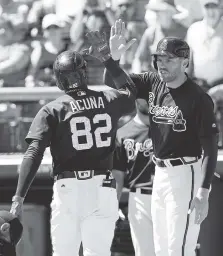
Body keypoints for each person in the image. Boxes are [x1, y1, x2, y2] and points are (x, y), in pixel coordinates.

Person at [9, 29, 137, 256]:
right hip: (103, 187)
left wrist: (19, 196)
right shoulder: (107, 98)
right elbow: (130, 93)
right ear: (84, 74)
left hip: (69, 188)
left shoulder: (54, 109)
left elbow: (34, 152)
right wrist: (109, 60)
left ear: (59, 78)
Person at [104, 19, 218, 256]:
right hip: (161, 173)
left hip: (187, 172)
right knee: (161, 248)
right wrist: (112, 60)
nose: (161, 63)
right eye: (159, 58)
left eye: (169, 59)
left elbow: (210, 147)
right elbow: (113, 84)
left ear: (185, 62)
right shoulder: (152, 81)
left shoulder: (198, 98)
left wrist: (203, 192)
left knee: (178, 248)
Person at [112, 100, 155, 256]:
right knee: (145, 252)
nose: (148, 98)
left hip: (169, 195)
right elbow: (117, 175)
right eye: (143, 94)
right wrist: (112, 204)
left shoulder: (170, 129)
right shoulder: (123, 133)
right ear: (136, 98)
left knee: (173, 250)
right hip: (139, 198)